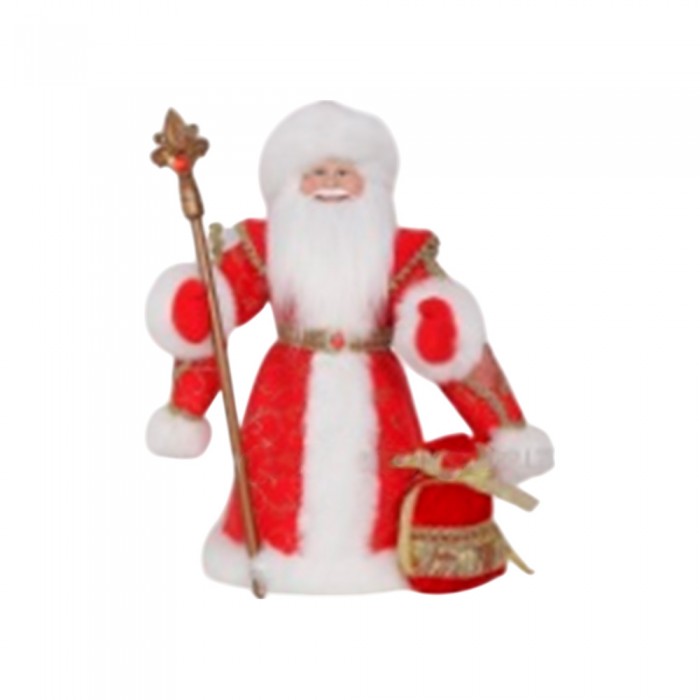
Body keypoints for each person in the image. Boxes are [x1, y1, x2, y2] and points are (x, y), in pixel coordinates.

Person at [145, 101, 554, 594]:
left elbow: (458, 353)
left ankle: (375, 555)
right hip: (286, 396)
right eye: (317, 172)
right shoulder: (262, 245)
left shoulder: (400, 254)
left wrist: (495, 416)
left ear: (372, 182)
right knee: (279, 480)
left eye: (344, 172)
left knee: (377, 481)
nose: (331, 183)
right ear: (291, 183)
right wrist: (188, 384)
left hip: (379, 395)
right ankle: (272, 556)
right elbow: (209, 319)